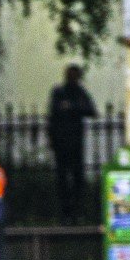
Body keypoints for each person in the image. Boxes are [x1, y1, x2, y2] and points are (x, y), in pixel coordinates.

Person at [48, 63, 97, 223]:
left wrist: (72, 107)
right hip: (62, 142)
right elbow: (53, 114)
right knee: (62, 180)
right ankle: (65, 213)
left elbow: (91, 110)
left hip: (75, 143)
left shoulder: (80, 93)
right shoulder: (59, 92)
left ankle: (77, 212)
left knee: (77, 179)